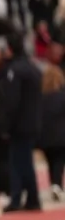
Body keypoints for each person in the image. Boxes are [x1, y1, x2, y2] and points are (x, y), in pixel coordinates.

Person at [0, 32, 43, 212]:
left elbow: (12, 101)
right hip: (32, 121)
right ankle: (32, 197)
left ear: (10, 48)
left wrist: (5, 125)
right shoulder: (32, 67)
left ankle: (17, 198)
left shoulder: (15, 70)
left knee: (17, 162)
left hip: (19, 124)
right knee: (25, 161)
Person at [38, 65, 65, 201]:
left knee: (50, 161)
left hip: (44, 136)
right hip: (60, 136)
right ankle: (56, 185)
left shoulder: (40, 99)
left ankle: (54, 185)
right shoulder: (62, 97)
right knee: (59, 161)